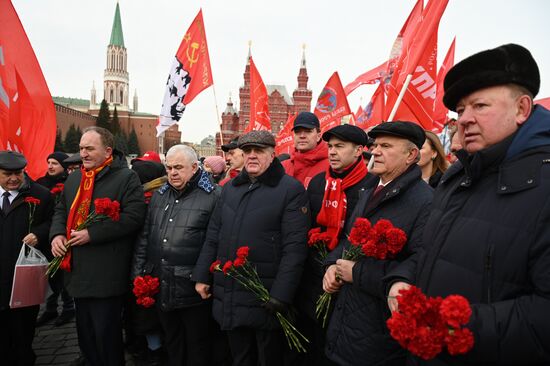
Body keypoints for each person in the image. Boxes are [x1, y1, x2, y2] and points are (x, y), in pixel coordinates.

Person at [387, 43, 550, 364]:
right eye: (460, 110)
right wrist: (401, 280)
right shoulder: (458, 175)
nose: (464, 120)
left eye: (480, 106)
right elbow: (431, 250)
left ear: (522, 109)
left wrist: (453, 326)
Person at [193, 130, 310, 366]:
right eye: (247, 151)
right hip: (231, 292)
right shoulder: (230, 189)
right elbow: (214, 235)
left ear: (273, 154)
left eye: (259, 151)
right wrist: (202, 275)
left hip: (266, 297)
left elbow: (295, 248)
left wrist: (281, 294)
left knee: (268, 358)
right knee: (239, 358)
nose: (252, 156)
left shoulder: (290, 190)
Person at [323, 121, 433, 366]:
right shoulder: (370, 187)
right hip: (345, 324)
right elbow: (349, 238)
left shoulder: (426, 202)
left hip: (378, 336)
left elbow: (419, 266)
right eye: (375, 145)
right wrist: (332, 265)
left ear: (411, 155)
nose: (375, 151)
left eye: (386, 146)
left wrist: (357, 273)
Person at [50, 126, 146, 366]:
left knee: (107, 335)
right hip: (77, 273)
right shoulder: (75, 177)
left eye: (90, 148)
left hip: (107, 273)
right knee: (86, 335)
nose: (83, 153)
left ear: (107, 151)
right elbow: (61, 210)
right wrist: (56, 236)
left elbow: (134, 217)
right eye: (81, 148)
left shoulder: (126, 178)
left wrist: (92, 234)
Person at [133, 145, 221, 366]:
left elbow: (216, 242)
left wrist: (203, 277)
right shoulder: (158, 196)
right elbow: (145, 236)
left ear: (194, 167)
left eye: (179, 167)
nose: (172, 172)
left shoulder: (214, 196)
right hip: (161, 283)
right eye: (169, 167)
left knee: (197, 345)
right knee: (172, 341)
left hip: (193, 288)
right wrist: (139, 274)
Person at [296, 124, 377, 366]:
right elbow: (308, 225)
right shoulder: (319, 182)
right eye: (330, 146)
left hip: (346, 282)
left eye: (340, 147)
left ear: (359, 150)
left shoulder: (371, 186)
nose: (332, 152)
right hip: (313, 277)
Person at [0, 150, 54, 365]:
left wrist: (39, 234)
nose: (14, 179)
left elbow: (54, 223)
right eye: (7, 174)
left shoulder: (41, 195)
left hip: (23, 275)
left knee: (22, 330)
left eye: (18, 173)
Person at [281, 111, 329, 188]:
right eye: (297, 132)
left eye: (308, 131)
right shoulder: (283, 166)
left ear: (318, 136)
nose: (302, 136)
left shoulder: (332, 166)